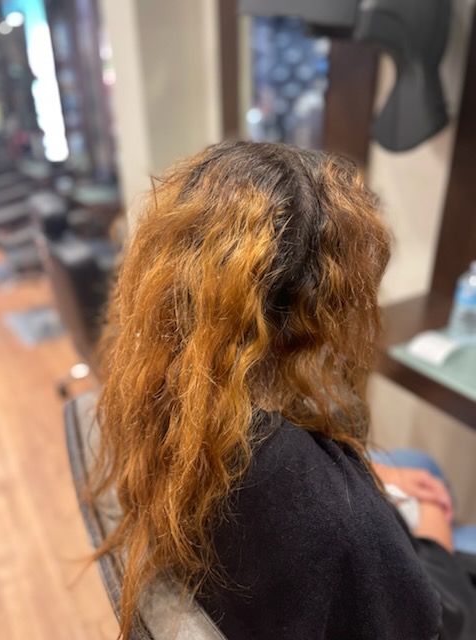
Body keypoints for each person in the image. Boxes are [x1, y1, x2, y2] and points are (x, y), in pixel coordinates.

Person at [91, 141, 465, 639]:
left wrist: (377, 481)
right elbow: (434, 619)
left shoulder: (159, 395)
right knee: (441, 495)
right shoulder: (339, 521)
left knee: (420, 470)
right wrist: (433, 531)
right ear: (317, 317)